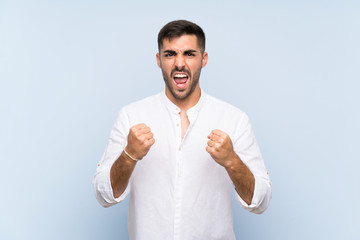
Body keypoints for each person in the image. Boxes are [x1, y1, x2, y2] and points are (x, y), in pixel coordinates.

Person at [93, 20, 272, 240]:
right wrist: (129, 155)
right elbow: (104, 196)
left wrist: (232, 160)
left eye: (189, 54)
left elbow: (261, 202)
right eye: (169, 54)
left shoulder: (234, 119)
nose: (179, 63)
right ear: (159, 60)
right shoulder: (131, 116)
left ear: (203, 59)